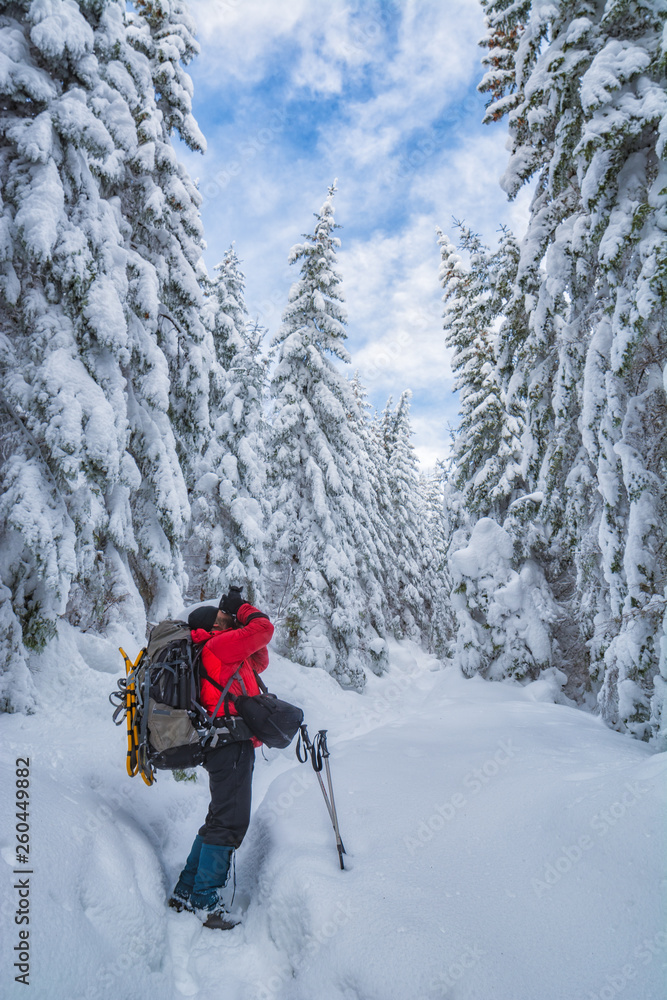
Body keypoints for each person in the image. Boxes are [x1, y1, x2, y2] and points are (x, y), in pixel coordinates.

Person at [168, 588, 274, 929]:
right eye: (221, 617)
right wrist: (242, 609)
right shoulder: (217, 646)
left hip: (226, 743)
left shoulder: (221, 648)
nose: (226, 617)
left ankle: (186, 891)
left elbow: (259, 655)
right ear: (211, 627)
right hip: (230, 744)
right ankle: (205, 901)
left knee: (219, 817)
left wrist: (239, 618)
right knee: (230, 823)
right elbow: (264, 630)